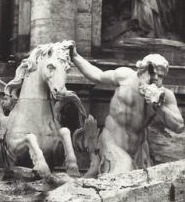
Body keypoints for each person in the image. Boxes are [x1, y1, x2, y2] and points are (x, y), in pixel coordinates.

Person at [69, 41, 184, 174]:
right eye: (152, 73)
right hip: (113, 143)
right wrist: (75, 56)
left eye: (160, 76)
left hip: (139, 150)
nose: (156, 79)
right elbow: (97, 75)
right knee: (123, 173)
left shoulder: (165, 96)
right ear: (143, 70)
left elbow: (179, 126)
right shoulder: (125, 77)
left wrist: (158, 105)